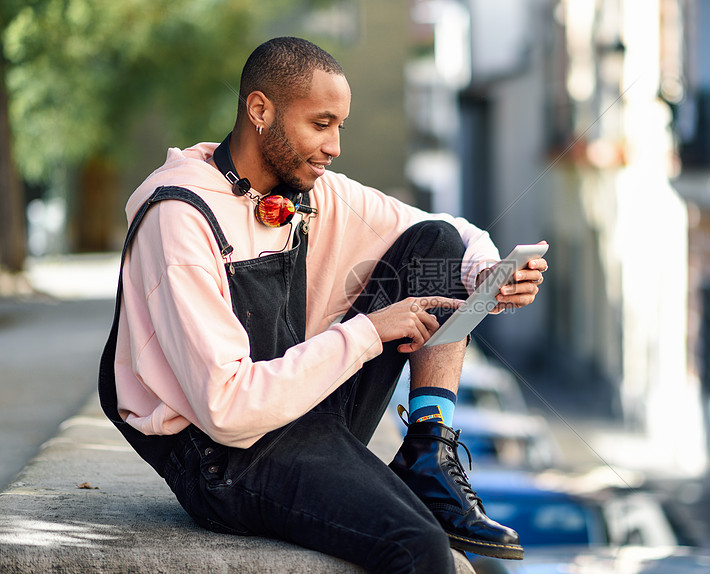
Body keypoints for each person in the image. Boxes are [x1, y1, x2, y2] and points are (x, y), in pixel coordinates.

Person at [98, 36, 548, 574]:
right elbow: (226, 410)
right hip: (225, 457)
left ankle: (429, 454)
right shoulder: (181, 217)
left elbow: (458, 234)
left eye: (341, 126)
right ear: (260, 110)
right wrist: (369, 332)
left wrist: (490, 278)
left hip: (299, 415)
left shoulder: (311, 191)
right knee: (419, 547)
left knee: (437, 245)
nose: (334, 145)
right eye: (321, 123)